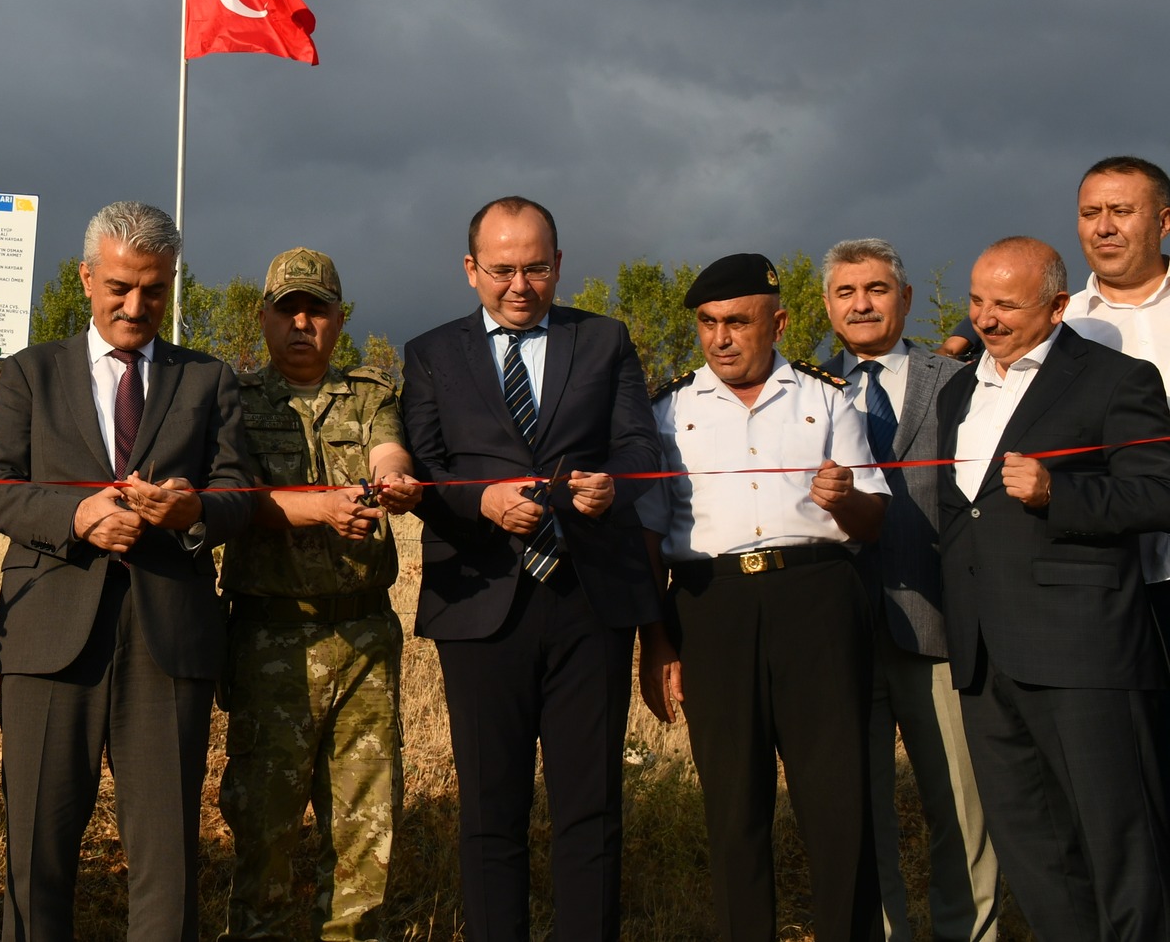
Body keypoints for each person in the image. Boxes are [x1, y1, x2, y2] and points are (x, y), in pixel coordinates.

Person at [0, 201, 254, 942]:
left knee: (166, 860)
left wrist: (191, 510)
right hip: (49, 639)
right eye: (121, 286)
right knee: (37, 854)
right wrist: (76, 517)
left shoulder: (209, 379)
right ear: (88, 276)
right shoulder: (32, 372)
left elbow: (239, 495)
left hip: (168, 645)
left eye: (154, 290)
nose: (136, 305)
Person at [400, 198, 663, 942]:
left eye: (537, 268)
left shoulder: (605, 340)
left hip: (589, 602)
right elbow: (422, 471)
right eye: (504, 269)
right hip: (481, 604)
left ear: (558, 263)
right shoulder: (430, 354)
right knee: (490, 812)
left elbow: (642, 448)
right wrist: (480, 500)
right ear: (471, 269)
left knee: (591, 809)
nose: (521, 285)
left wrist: (615, 484)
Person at [637, 252, 889, 942]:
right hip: (710, 606)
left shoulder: (827, 397)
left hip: (816, 601)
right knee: (733, 806)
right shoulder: (668, 408)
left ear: (777, 321)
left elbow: (874, 519)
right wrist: (655, 641)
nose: (721, 337)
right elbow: (651, 539)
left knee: (838, 804)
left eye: (737, 322)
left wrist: (844, 503)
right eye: (708, 323)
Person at [936, 236, 1170, 941]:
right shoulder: (957, 387)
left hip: (1084, 653)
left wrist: (1058, 494)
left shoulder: (1116, 378)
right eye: (978, 300)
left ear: (1058, 305)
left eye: (1007, 303)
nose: (987, 317)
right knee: (1034, 850)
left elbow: (1157, 491)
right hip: (983, 658)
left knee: (1120, 847)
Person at [218, 248, 422, 942]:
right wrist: (320, 508)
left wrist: (393, 480)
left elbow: (389, 451)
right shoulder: (236, 401)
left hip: (363, 635)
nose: (301, 322)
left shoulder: (370, 394)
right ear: (265, 316)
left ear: (339, 319)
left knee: (366, 827)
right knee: (263, 826)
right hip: (271, 638)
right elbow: (235, 499)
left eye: (317, 309)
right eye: (288, 308)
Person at [820, 239, 999, 942]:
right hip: (839, 640)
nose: (861, 303)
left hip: (939, 630)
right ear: (829, 305)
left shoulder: (960, 378)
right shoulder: (803, 389)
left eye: (876, 288)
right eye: (846, 291)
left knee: (960, 812)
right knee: (861, 820)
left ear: (906, 297)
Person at [1064, 157, 1170, 650]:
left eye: (1121, 210)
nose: (1103, 227)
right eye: (1090, 213)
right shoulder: (1059, 332)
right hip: (1108, 581)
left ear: (1164, 222)